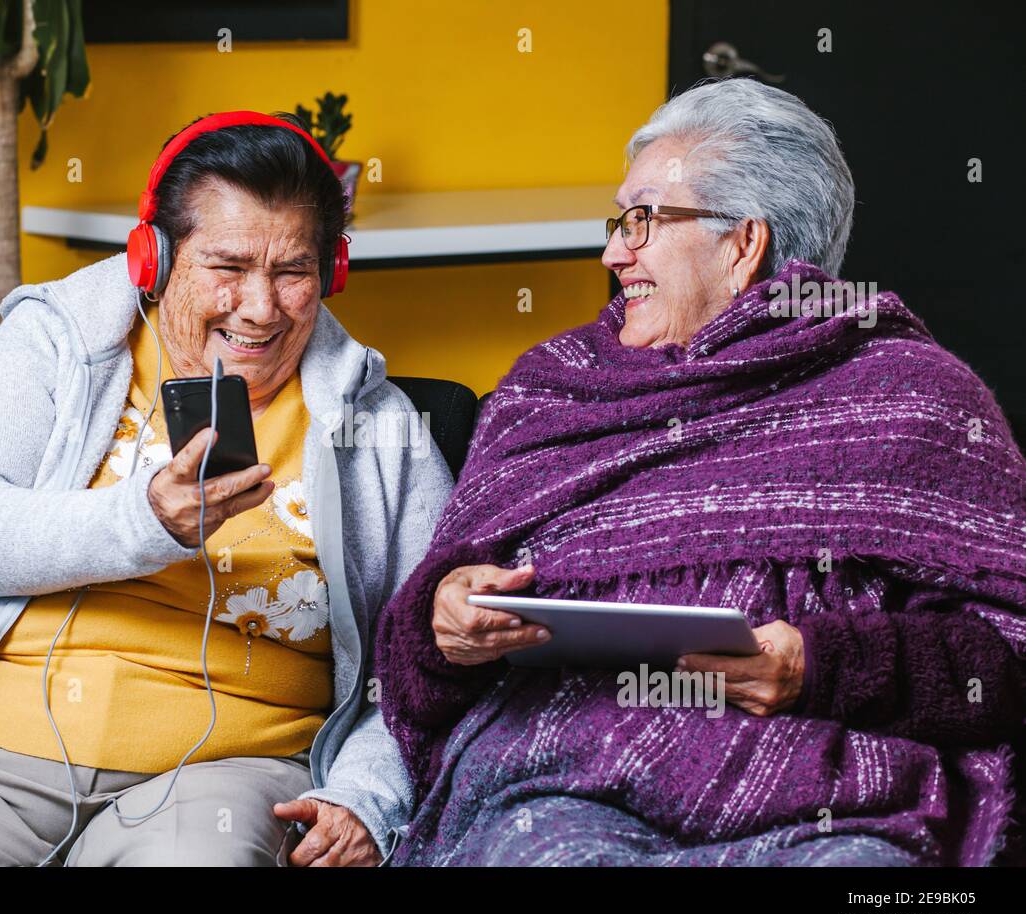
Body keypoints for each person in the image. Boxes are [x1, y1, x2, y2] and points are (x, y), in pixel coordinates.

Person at [0, 112, 453, 867]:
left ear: (330, 272)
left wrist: (366, 794)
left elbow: (430, 649)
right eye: (228, 267)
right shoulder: (61, 342)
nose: (260, 307)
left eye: (293, 272)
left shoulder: (375, 427)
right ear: (154, 257)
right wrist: (142, 518)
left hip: (220, 776)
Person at [375, 79, 1026, 866]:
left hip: (839, 808)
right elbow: (419, 661)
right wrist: (441, 624)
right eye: (620, 221)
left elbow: (1003, 658)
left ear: (742, 242)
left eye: (643, 220)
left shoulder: (913, 398)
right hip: (557, 789)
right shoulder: (552, 390)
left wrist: (819, 666)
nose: (615, 250)